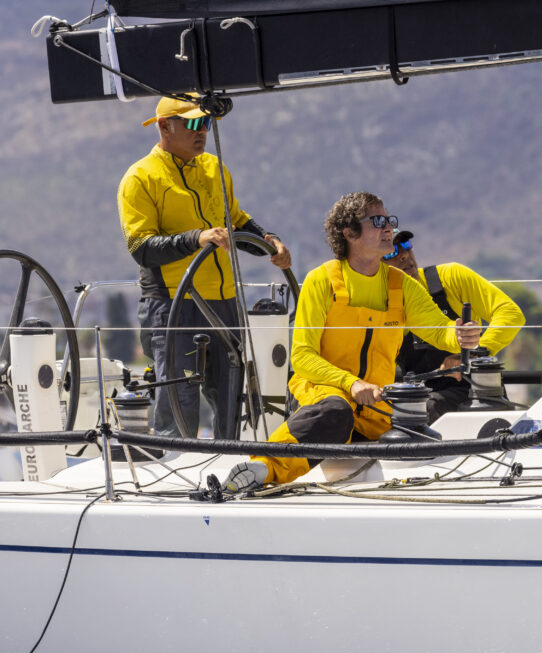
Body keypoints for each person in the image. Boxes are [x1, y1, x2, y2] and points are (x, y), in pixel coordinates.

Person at [222, 192, 480, 491]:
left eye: (390, 221)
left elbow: (439, 330)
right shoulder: (322, 280)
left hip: (376, 404)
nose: (389, 229)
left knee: (420, 417)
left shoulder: (402, 285)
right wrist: (351, 384)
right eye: (378, 221)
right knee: (336, 411)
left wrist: (460, 335)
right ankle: (263, 468)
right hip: (322, 393)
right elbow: (302, 357)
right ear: (349, 232)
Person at [117, 94, 292, 438]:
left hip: (225, 303)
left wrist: (269, 241)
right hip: (171, 305)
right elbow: (141, 248)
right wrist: (196, 238)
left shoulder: (215, 167)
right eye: (194, 123)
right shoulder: (140, 178)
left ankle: (233, 472)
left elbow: (237, 221)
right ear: (164, 126)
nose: (203, 132)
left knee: (233, 397)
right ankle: (178, 476)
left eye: (207, 123)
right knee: (178, 404)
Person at [386, 230, 525, 421]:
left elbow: (510, 313)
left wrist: (473, 355)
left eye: (406, 246)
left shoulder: (450, 277)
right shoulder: (378, 302)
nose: (404, 254)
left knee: (422, 409)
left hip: (471, 392)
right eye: (392, 251)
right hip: (410, 394)